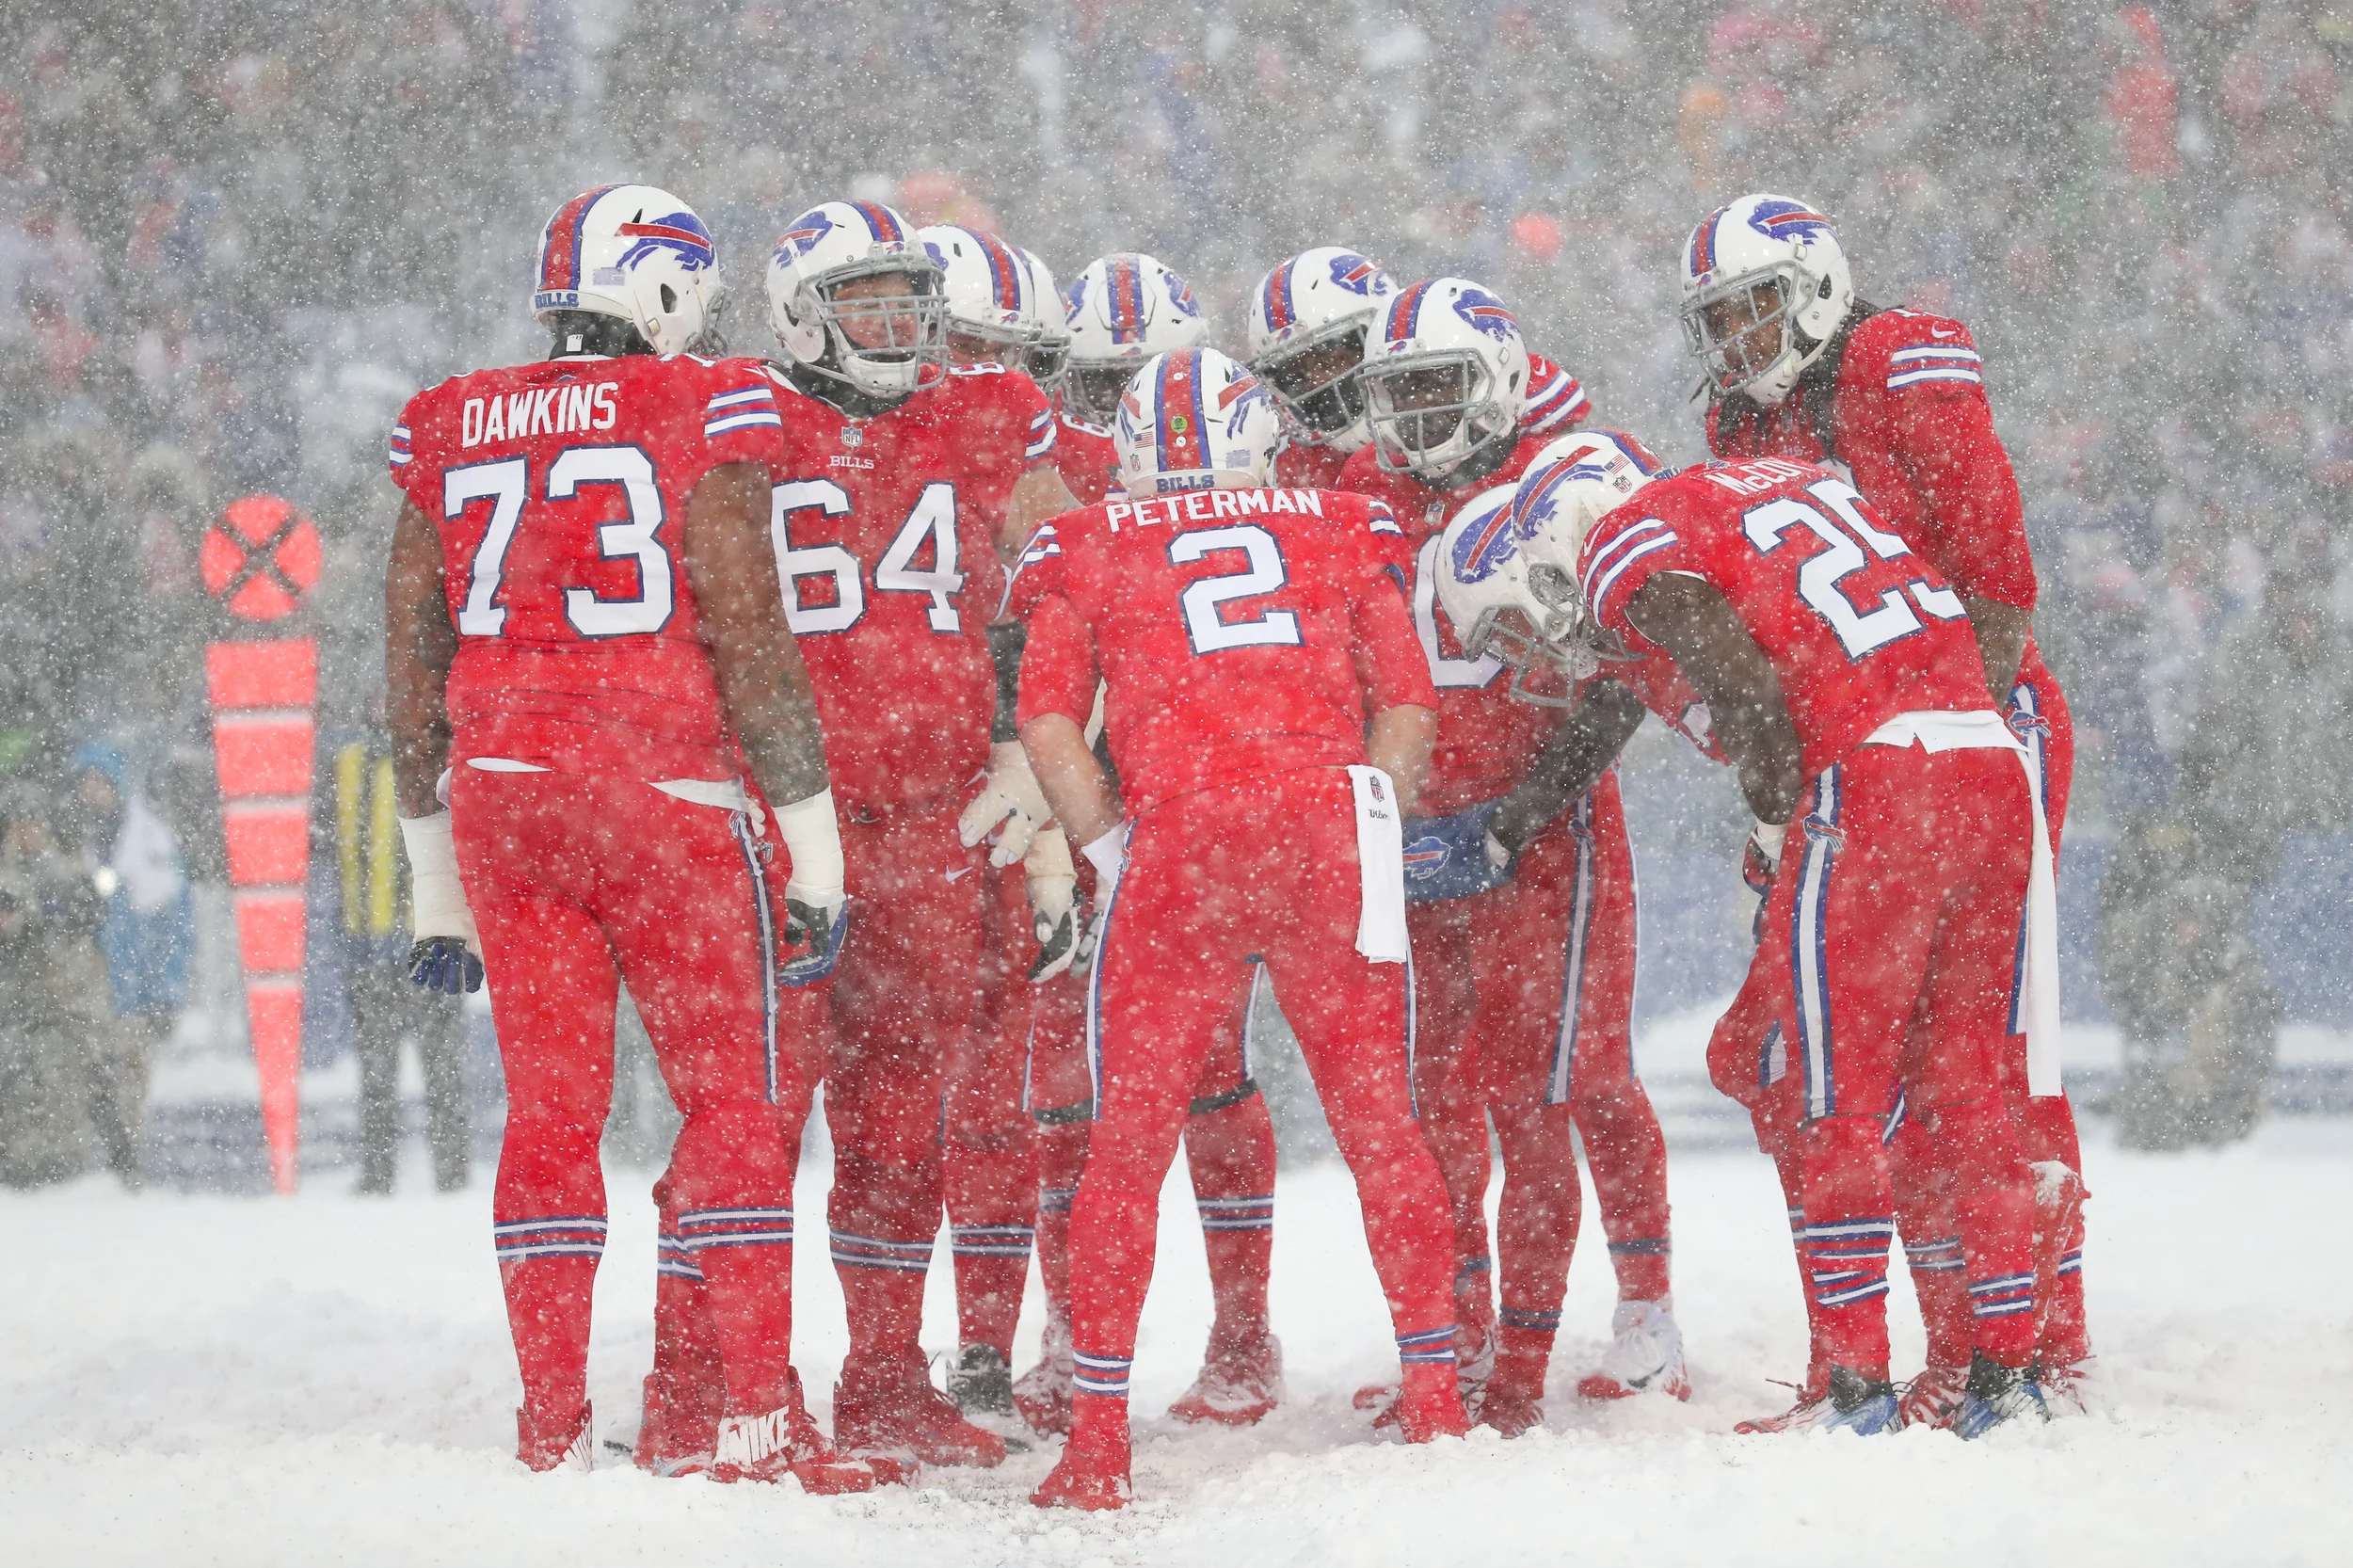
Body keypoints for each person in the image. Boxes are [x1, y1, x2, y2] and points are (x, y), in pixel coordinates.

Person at [383, 183, 873, 1489]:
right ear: (658, 286)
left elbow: (407, 661)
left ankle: (550, 1428)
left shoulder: (447, 416)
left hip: (500, 787)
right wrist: (816, 842)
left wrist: (432, 878)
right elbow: (752, 635)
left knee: (550, 1113)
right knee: (729, 1098)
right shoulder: (691, 399)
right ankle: (755, 1421)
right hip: (658, 787)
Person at [1442, 434, 2056, 1437]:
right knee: (1961, 1087)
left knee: (1832, 1095)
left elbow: (1756, 701)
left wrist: (1780, 832)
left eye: (1527, 604)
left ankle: (1856, 1387)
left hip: (1871, 776)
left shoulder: (1629, 542)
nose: (1541, 635)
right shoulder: (1775, 488)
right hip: (1985, 757)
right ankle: (2001, 1372)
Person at [1014, 344, 1462, 1511]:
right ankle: (1435, 1392)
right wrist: (1374, 812)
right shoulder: (1340, 520)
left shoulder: (1088, 539)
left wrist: (1112, 847)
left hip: (1182, 829)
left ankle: (1099, 1436)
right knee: (1380, 1122)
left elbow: (1049, 725)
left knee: (1127, 1142)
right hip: (1325, 811)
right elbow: (1408, 700)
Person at [1686, 192, 2091, 1412]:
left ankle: (2039, 1341)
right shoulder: (1736, 416)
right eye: (1721, 317)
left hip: (1978, 718)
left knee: (1994, 1051)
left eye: (1759, 304)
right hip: (1860, 750)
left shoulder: (1896, 357)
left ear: (1813, 286)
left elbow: (1998, 577)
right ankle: (1915, 1340)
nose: (1742, 337)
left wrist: (1936, 728)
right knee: (1848, 1055)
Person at [752, 199, 1076, 1468]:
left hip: (935, 811)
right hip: (791, 812)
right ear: (799, 308)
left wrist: (1024, 761)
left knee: (899, 1118)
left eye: (904, 298)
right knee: (756, 1112)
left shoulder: (989, 411)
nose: (891, 324)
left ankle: (884, 1375)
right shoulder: (738, 410)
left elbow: (1062, 582)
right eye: (862, 301)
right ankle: (723, 1378)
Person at [1336, 280, 1682, 1411]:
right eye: (1398, 394)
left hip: (1543, 826)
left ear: (1495, 379)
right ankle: (1466, 1336)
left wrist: (1522, 811)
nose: (1418, 418)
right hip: (1411, 833)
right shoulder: (1357, 490)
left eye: (1440, 387)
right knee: (1432, 1097)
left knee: (1567, 1083)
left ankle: (1630, 1315)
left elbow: (1629, 675)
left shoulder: (1573, 472)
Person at [329, 735, 469, 1193]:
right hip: (369, 947)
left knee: (441, 1069)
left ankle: (451, 1175)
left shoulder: (438, 761)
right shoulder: (346, 765)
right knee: (377, 1073)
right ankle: (377, 1174)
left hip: (430, 942)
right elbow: (330, 847)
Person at [71, 742, 195, 1190]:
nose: (92, 793)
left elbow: (178, 926)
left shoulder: (154, 841)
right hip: (80, 988)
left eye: (99, 783)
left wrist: (167, 993)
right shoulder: (71, 840)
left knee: (129, 1085)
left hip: (135, 993)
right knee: (82, 1075)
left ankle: (125, 1171)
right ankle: (87, 1170)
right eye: (84, 784)